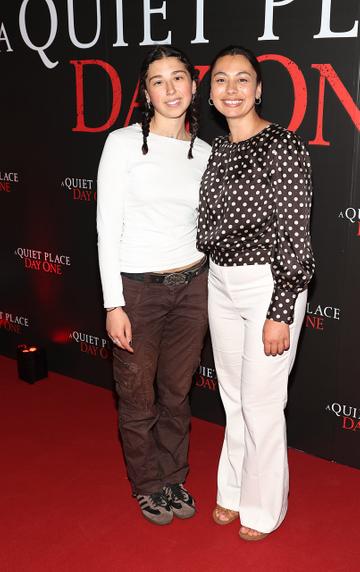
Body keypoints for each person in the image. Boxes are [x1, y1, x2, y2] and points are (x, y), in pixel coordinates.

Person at [196, 46, 315, 541]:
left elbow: (296, 235)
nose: (231, 89)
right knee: (233, 397)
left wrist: (280, 310)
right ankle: (231, 490)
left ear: (260, 89)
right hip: (220, 282)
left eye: (242, 80)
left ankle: (265, 509)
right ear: (211, 92)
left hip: (269, 284)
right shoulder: (217, 149)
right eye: (221, 80)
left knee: (262, 402)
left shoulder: (284, 147)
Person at [96, 46, 211, 525]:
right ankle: (147, 484)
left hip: (192, 288)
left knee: (177, 393)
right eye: (159, 81)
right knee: (138, 395)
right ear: (145, 92)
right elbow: (107, 225)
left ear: (192, 84)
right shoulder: (122, 143)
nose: (171, 89)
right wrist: (112, 303)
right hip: (137, 291)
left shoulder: (205, 151)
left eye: (178, 77)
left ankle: (174, 476)